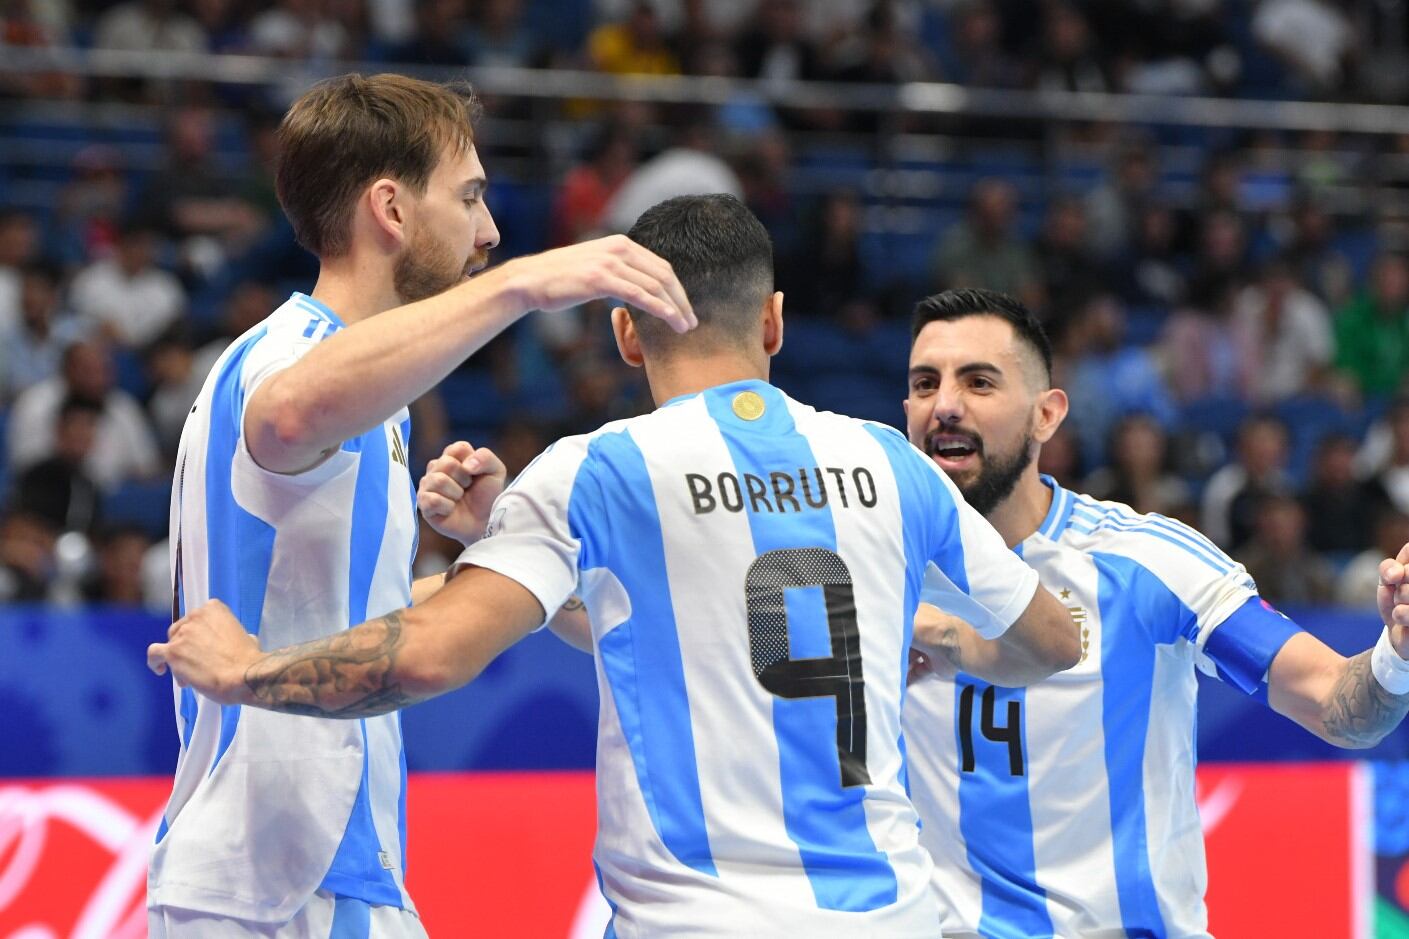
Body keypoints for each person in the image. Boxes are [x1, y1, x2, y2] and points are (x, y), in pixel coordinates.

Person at [149, 194, 1081, 937]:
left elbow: (429, 654)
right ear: (774, 322)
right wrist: (931, 637)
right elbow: (1050, 640)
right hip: (891, 917)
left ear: (627, 334)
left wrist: (247, 670)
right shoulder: (888, 460)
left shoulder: (596, 472)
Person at [145, 73, 695, 937]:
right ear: (392, 210)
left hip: (321, 869)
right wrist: (526, 284)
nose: (490, 230)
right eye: (469, 197)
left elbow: (358, 614)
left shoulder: (373, 398)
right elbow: (287, 413)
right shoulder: (290, 354)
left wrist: (492, 552)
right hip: (278, 881)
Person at [899, 287, 1409, 939]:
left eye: (979, 382)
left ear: (1046, 414)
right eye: (925, 383)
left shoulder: (1147, 560)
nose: (944, 404)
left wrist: (1397, 654)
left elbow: (1341, 706)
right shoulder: (871, 570)